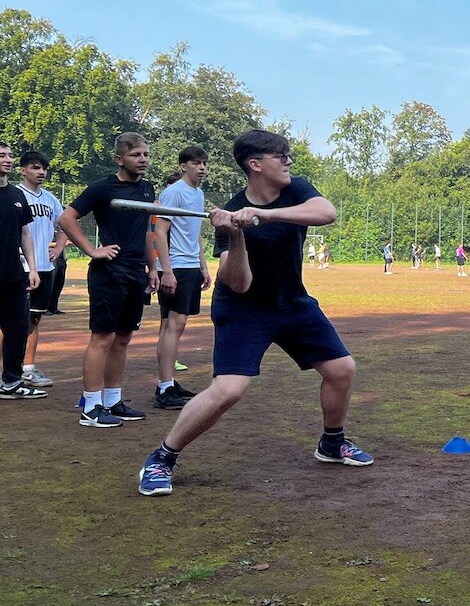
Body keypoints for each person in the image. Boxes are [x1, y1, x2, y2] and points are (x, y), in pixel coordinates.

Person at [138, 130, 373, 497]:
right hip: (244, 309)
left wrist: (265, 215)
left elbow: (326, 213)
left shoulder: (296, 189)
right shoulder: (232, 211)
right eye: (281, 156)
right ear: (256, 164)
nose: (288, 161)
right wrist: (235, 233)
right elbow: (239, 283)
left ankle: (332, 442)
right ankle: (161, 458)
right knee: (229, 389)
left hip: (291, 302)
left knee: (341, 368)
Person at [59, 133, 158, 426]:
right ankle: (91, 407)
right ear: (119, 159)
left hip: (135, 272)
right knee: (103, 337)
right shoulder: (103, 188)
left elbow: (147, 232)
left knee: (124, 338)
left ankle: (113, 401)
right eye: (136, 155)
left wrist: (152, 269)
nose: (143, 160)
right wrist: (91, 249)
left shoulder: (147, 190)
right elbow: (66, 218)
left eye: (146, 155)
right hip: (109, 272)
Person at [153, 147, 211, 410]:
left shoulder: (198, 193)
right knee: (173, 326)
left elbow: (195, 233)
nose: (202, 168)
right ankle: (165, 388)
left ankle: (168, 382)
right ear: (183, 166)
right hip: (176, 266)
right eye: (196, 163)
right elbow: (159, 233)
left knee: (172, 326)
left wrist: (204, 266)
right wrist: (167, 270)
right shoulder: (173, 192)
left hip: (190, 267)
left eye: (204, 163)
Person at [17, 151, 67, 389]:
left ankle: (28, 368)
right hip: (20, 267)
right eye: (35, 168)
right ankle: (5, 371)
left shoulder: (50, 198)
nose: (41, 172)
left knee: (34, 318)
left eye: (44, 169)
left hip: (45, 267)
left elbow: (66, 222)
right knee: (10, 320)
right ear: (23, 170)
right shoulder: (15, 195)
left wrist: (58, 247)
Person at [0, 143, 44, 401]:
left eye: (9, 154)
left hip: (14, 276)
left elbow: (25, 233)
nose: (8, 159)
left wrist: (32, 268)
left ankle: (11, 383)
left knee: (17, 329)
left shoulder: (17, 195)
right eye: (2, 155)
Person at [47, 245, 68, 314]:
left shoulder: (60, 234)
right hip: (50, 257)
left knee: (58, 284)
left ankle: (53, 307)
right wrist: (60, 244)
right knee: (50, 284)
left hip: (61, 258)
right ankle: (45, 307)